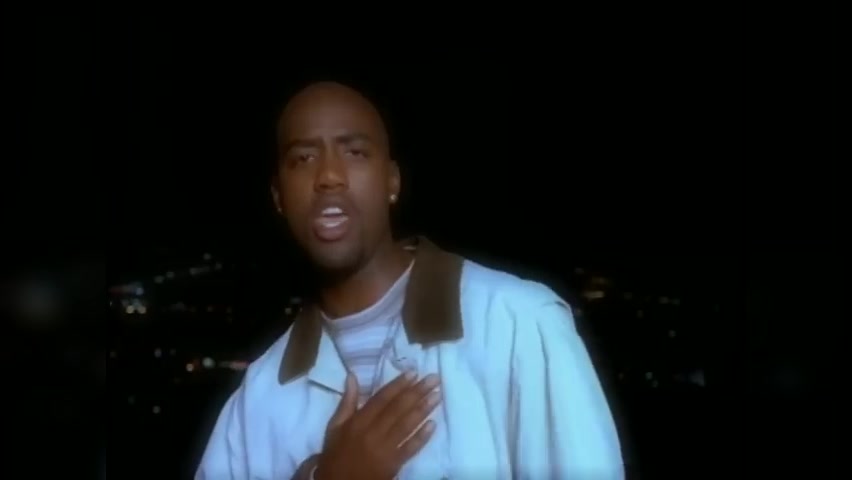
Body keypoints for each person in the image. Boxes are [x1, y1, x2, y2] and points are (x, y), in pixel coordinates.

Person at [196, 81, 623, 479]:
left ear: (392, 182)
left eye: (355, 152)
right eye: (303, 159)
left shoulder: (519, 323)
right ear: (279, 198)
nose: (328, 176)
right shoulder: (257, 398)